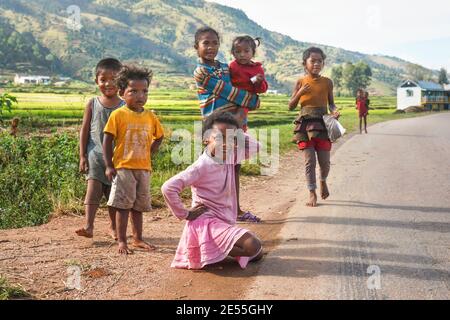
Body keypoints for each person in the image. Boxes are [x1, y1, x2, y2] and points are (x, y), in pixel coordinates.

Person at [162, 112, 263, 270]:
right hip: (205, 223)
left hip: (222, 222)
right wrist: (185, 214)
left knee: (257, 254)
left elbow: (257, 147)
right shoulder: (201, 166)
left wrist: (240, 134)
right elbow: (168, 187)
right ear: (206, 139)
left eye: (232, 139)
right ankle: (209, 251)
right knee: (253, 246)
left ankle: (211, 251)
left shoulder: (231, 157)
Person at [193, 26, 262, 223]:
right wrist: (251, 102)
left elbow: (242, 86)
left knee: (234, 168)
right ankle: (207, 209)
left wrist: (245, 105)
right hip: (215, 128)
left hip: (236, 126)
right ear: (196, 46)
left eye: (215, 43)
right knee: (212, 168)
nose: (211, 47)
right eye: (206, 43)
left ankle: (235, 210)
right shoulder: (201, 72)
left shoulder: (226, 67)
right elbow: (232, 93)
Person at [103, 65, 164, 254]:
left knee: (138, 207)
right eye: (134, 91)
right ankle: (122, 241)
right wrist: (108, 165)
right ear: (122, 93)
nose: (141, 96)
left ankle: (138, 239)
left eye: (144, 91)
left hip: (143, 168)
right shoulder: (118, 115)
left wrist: (149, 152)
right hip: (123, 167)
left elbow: (159, 136)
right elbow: (107, 139)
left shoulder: (150, 116)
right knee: (123, 206)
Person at [76, 58, 125, 240]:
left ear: (120, 81)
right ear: (96, 81)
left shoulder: (124, 106)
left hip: (117, 158)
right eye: (103, 79)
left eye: (113, 79)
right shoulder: (92, 103)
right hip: (95, 155)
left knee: (113, 194)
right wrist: (82, 156)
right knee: (93, 189)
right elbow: (85, 130)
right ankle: (88, 226)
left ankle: (113, 228)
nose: (108, 83)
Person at [289, 47, 340, 207]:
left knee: (325, 162)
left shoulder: (327, 82)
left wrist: (335, 111)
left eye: (320, 61)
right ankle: (312, 192)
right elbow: (291, 106)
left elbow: (331, 104)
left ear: (323, 63)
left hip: (323, 124)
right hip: (305, 124)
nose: (317, 64)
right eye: (313, 61)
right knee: (310, 161)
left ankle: (323, 180)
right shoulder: (300, 82)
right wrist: (299, 92)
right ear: (305, 63)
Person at [229, 35, 269, 132]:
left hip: (245, 100)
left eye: (246, 51)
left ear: (253, 53)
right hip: (230, 98)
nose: (242, 54)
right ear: (233, 53)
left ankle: (238, 133)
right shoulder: (232, 66)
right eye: (238, 52)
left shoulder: (257, 69)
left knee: (240, 116)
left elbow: (262, 89)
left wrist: (259, 82)